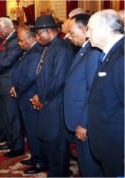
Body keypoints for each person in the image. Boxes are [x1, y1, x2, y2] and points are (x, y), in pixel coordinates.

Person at [30, 15, 74, 176]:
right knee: (51, 149)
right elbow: (43, 75)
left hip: (55, 106)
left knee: (58, 151)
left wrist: (42, 98)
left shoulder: (61, 48)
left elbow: (58, 80)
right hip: (47, 103)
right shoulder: (50, 46)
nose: (36, 37)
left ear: (48, 31)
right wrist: (37, 94)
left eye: (38, 34)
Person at [63, 14, 103, 177]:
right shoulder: (83, 50)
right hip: (77, 118)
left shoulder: (92, 53)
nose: (68, 36)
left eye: (72, 32)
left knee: (89, 167)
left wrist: (84, 123)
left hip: (83, 122)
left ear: (85, 30)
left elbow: (91, 90)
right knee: (84, 164)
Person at [87, 9, 124, 177]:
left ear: (106, 29)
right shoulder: (111, 53)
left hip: (118, 148)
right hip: (109, 144)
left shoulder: (122, 57)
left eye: (90, 29)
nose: (87, 34)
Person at [10, 25, 46, 174]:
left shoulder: (36, 52)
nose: (19, 43)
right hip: (24, 96)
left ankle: (40, 162)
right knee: (29, 131)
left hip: (30, 96)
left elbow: (30, 76)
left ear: (31, 38)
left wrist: (17, 89)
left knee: (34, 131)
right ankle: (35, 157)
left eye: (21, 40)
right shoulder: (29, 50)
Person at [0, 17, 24, 158]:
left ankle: (17, 146)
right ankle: (10, 142)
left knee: (13, 116)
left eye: (0, 29)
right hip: (2, 82)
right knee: (7, 116)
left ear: (7, 27)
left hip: (9, 83)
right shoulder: (7, 39)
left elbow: (7, 61)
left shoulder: (14, 40)